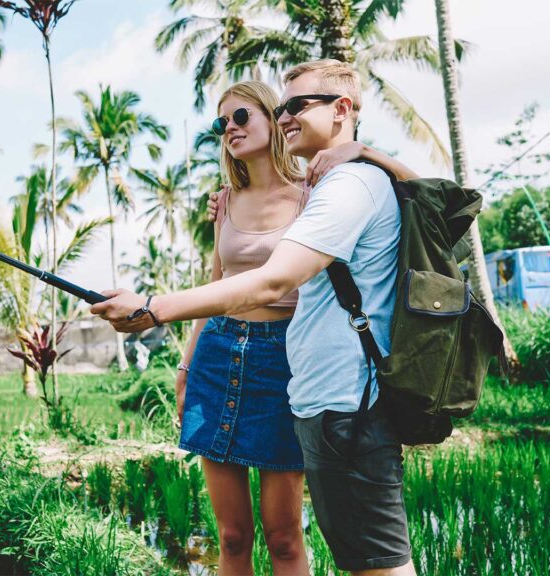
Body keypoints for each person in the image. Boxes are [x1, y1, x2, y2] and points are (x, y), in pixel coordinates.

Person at [93, 59, 418, 575]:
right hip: (220, 354)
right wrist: (185, 366)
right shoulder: (227, 202)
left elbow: (422, 197)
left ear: (272, 117)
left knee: (285, 537)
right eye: (221, 124)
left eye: (241, 115)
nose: (230, 130)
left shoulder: (318, 190)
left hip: (283, 359)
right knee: (232, 535)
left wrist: (366, 150)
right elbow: (219, 285)